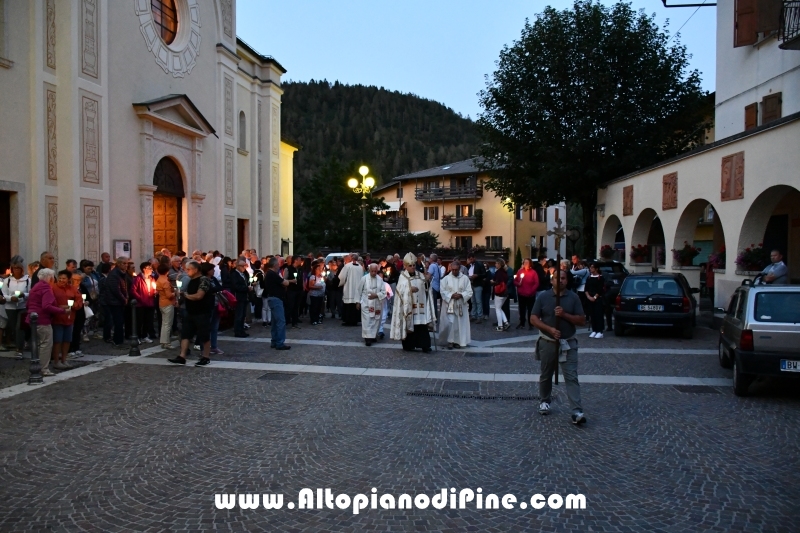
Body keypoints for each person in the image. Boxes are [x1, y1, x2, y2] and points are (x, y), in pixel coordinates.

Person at [530, 269, 587, 425]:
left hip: (568, 343)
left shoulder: (573, 298)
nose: (559, 280)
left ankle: (576, 411)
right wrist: (549, 329)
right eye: (556, 278)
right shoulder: (543, 296)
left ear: (566, 281)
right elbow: (533, 318)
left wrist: (564, 315)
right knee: (546, 374)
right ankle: (544, 400)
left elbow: (582, 320)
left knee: (571, 376)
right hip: (547, 342)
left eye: (563, 278)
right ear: (551, 280)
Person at [25, 268, 69, 377]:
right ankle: (43, 368)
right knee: (46, 344)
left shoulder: (36, 287)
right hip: (42, 319)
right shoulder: (46, 289)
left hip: (32, 318)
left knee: (39, 344)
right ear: (49, 278)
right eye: (53, 277)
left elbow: (29, 304)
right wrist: (62, 310)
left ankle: (37, 365)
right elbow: (46, 306)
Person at [168, 261, 213, 367]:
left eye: (189, 269)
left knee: (204, 335)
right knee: (185, 334)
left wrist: (185, 295)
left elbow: (199, 296)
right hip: (190, 311)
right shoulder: (191, 280)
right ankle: (182, 356)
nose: (186, 271)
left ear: (196, 270)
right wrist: (180, 300)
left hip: (202, 312)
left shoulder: (204, 280)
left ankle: (205, 357)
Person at [391, 252, 434, 353]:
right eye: (410, 265)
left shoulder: (420, 275)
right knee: (410, 325)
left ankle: (425, 345)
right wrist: (409, 289)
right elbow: (399, 291)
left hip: (421, 307)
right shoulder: (403, 277)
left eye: (414, 265)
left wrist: (427, 281)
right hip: (409, 307)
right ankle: (409, 345)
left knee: (422, 326)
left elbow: (427, 288)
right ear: (405, 266)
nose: (413, 267)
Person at [51, 270, 83, 369]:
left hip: (69, 318)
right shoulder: (53, 288)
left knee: (67, 340)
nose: (61, 280)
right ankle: (56, 360)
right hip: (57, 318)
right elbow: (50, 301)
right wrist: (60, 307)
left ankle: (64, 359)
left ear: (68, 279)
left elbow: (79, 300)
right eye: (60, 278)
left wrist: (74, 305)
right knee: (57, 340)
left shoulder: (73, 289)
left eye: (64, 278)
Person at [439, 260, 473, 349]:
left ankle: (458, 341)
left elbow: (469, 291)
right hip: (450, 304)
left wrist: (461, 295)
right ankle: (450, 341)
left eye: (456, 270)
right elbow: (442, 291)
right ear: (450, 268)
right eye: (453, 269)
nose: (454, 271)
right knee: (451, 322)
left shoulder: (465, 278)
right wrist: (451, 295)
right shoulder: (446, 279)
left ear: (459, 269)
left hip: (461, 304)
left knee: (460, 323)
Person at [2, 261, 30, 358]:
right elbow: (4, 294)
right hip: (10, 307)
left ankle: (19, 349)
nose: (17, 270)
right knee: (14, 327)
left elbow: (30, 293)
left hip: (22, 306)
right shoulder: (7, 281)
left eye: (19, 268)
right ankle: (21, 342)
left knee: (20, 327)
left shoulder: (27, 280)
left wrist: (23, 295)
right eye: (15, 268)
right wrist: (10, 298)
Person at [263, 257, 291, 350]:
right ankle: (279, 343)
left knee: (275, 322)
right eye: (278, 265)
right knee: (280, 321)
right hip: (276, 299)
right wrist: (290, 281)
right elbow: (285, 283)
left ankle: (274, 341)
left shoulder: (268, 274)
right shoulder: (273, 274)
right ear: (275, 265)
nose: (279, 266)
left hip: (272, 298)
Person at [357, 264, 387, 346]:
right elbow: (359, 290)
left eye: (375, 271)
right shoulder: (364, 278)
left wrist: (376, 295)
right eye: (372, 271)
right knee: (367, 321)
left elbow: (384, 292)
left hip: (376, 304)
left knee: (375, 320)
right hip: (366, 303)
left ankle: (373, 336)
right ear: (369, 270)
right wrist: (358, 302)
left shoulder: (380, 280)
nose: (374, 273)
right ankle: (367, 338)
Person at [103, 257, 129, 347]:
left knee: (120, 322)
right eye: (124, 263)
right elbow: (115, 290)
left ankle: (119, 340)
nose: (126, 265)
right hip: (114, 302)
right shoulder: (114, 274)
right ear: (119, 264)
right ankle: (117, 341)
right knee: (118, 321)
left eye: (127, 263)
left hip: (119, 301)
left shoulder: (122, 273)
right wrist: (124, 298)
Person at [131, 262, 157, 343]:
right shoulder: (138, 279)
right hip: (141, 304)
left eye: (151, 268)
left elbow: (153, 288)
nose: (151, 270)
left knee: (148, 320)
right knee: (139, 321)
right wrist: (140, 298)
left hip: (150, 303)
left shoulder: (152, 278)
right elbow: (133, 290)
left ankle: (145, 335)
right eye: (149, 268)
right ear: (144, 269)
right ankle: (138, 337)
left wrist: (154, 292)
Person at [514, 259, 540, 330]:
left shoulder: (533, 272)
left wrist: (532, 291)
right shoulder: (520, 271)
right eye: (524, 262)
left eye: (527, 262)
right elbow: (515, 281)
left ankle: (530, 324)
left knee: (530, 310)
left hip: (530, 295)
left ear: (530, 264)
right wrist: (518, 284)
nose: (525, 264)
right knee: (522, 309)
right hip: (521, 294)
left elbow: (536, 283)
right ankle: (522, 323)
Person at [338, 253, 364, 326]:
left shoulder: (347, 266)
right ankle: (355, 320)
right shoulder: (360, 267)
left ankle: (348, 320)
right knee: (355, 304)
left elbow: (342, 277)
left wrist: (340, 283)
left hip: (349, 289)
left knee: (349, 305)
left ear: (351, 258)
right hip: (357, 289)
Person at [155, 263, 176, 349]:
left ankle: (163, 341)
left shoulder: (159, 279)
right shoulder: (165, 282)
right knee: (168, 324)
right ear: (167, 271)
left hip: (161, 303)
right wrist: (175, 292)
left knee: (164, 324)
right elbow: (169, 295)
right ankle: (166, 342)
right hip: (168, 303)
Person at [230, 258, 251, 337]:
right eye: (242, 266)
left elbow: (247, 280)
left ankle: (242, 330)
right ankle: (238, 331)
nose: (244, 267)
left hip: (244, 296)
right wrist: (246, 288)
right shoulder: (234, 274)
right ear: (237, 266)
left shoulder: (244, 273)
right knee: (239, 315)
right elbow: (236, 286)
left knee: (243, 315)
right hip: (238, 297)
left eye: (244, 266)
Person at [584, 263, 605, 339]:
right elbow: (586, 288)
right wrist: (588, 296)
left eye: (592, 267)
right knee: (592, 315)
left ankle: (600, 331)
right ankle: (594, 330)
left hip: (598, 299)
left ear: (596, 269)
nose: (591, 269)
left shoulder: (600, 278)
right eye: (590, 267)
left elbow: (600, 289)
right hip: (590, 298)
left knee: (598, 314)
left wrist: (595, 297)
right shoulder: (589, 277)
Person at [490, 258, 510, 331]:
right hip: (505, 292)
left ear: (499, 264)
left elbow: (497, 281)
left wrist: (492, 281)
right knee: (500, 308)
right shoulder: (505, 272)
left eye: (496, 263)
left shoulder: (498, 272)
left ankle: (500, 326)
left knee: (497, 309)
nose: (495, 264)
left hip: (499, 292)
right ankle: (506, 322)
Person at [466, 254, 486, 323]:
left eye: (471, 259)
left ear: (474, 258)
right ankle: (473, 315)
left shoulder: (479, 264)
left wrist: (477, 275)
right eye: (469, 259)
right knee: (473, 301)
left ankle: (479, 316)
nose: (470, 260)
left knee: (478, 301)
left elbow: (484, 274)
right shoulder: (469, 266)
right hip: (471, 284)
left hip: (478, 284)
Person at [307, 261, 326, 325]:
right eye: (318, 269)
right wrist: (318, 287)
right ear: (315, 270)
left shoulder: (321, 277)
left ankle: (318, 319)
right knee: (314, 307)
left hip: (320, 295)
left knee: (319, 307)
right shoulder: (313, 277)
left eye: (320, 269)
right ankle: (313, 319)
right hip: (314, 295)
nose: (320, 270)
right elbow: (310, 286)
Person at [377, 270, 392, 340]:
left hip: (383, 303)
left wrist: (388, 294)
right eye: (379, 276)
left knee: (383, 316)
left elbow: (390, 294)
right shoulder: (374, 284)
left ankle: (381, 330)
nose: (380, 277)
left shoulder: (386, 285)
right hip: (375, 303)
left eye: (381, 276)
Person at [426, 253, 442, 318]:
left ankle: (433, 316)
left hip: (433, 286)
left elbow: (428, 276)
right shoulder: (438, 266)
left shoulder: (432, 266)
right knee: (435, 302)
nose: (429, 259)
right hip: (438, 286)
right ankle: (436, 316)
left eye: (430, 258)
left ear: (432, 259)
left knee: (432, 303)